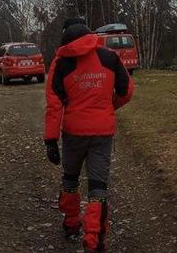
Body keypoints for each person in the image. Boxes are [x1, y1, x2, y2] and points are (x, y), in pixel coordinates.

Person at [44, 17, 134, 253]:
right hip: (102, 132)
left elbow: (54, 103)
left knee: (70, 179)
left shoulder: (61, 62)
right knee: (97, 187)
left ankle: (71, 224)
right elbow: (126, 91)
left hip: (73, 132)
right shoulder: (109, 56)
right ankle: (93, 240)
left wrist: (50, 139)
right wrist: (108, 108)